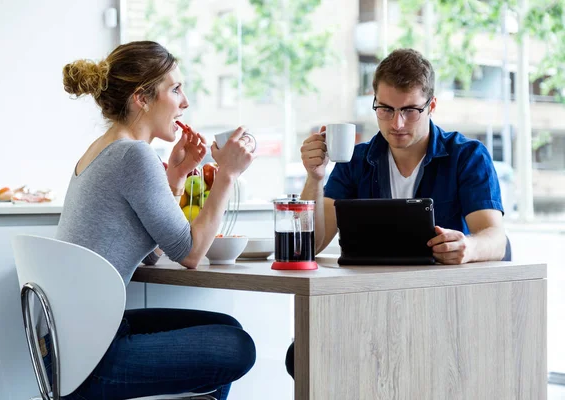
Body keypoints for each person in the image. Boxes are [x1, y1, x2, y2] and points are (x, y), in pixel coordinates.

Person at [285, 48, 510, 378]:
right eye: (386, 109)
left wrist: (468, 248)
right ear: (374, 102)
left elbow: (495, 238)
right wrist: (315, 178)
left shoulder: (467, 156)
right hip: (371, 306)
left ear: (431, 106)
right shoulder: (356, 161)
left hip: (445, 308)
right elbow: (312, 244)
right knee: (302, 354)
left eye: (410, 111)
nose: (396, 123)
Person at [52, 41, 256, 400]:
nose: (185, 101)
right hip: (93, 360)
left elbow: (150, 251)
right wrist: (226, 174)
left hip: (73, 348)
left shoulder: (102, 149)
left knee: (225, 327)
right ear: (141, 98)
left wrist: (175, 178)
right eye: (175, 89)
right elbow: (190, 254)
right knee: (237, 346)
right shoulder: (134, 154)